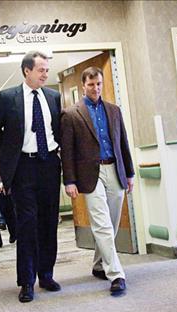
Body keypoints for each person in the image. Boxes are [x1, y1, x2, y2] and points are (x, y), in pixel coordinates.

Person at [0, 51, 62, 303]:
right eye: (41, 69)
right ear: (26, 71)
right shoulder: (8, 97)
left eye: (47, 69)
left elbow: (58, 130)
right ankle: (27, 281)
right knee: (27, 224)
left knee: (49, 222)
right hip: (23, 168)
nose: (46, 74)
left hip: (50, 165)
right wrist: (9, 156)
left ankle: (46, 274)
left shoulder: (53, 96)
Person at [60, 67, 135, 295]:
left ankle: (98, 264)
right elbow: (67, 151)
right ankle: (116, 274)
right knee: (101, 223)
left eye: (99, 84)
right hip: (90, 176)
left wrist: (129, 173)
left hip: (115, 169)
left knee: (110, 224)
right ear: (84, 85)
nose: (96, 88)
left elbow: (123, 143)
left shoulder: (114, 110)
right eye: (91, 84)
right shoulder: (71, 114)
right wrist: (69, 180)